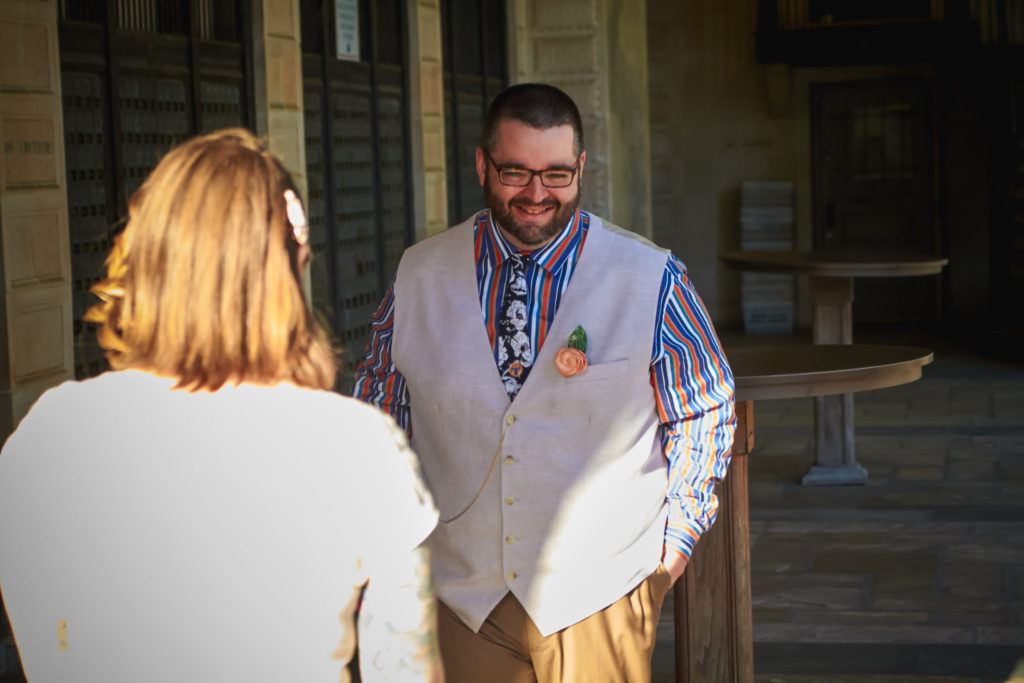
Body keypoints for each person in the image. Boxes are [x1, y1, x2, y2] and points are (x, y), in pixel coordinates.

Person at [0, 129, 442, 682]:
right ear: (285, 277)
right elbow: (405, 667)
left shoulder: (51, 436)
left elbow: (47, 652)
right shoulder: (356, 444)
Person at [353, 83, 736, 681]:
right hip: (460, 594)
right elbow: (379, 410)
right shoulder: (418, 273)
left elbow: (704, 406)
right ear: (482, 165)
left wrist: (675, 546)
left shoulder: (651, 276)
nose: (537, 193)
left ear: (581, 167)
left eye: (557, 174)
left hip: (601, 593)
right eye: (516, 172)